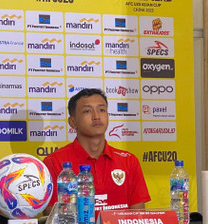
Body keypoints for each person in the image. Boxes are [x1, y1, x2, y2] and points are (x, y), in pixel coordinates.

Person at [43, 88, 151, 216]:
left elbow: (139, 217)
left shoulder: (129, 161)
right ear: (73, 122)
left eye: (101, 110)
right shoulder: (55, 162)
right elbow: (53, 218)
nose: (96, 117)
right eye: (87, 111)